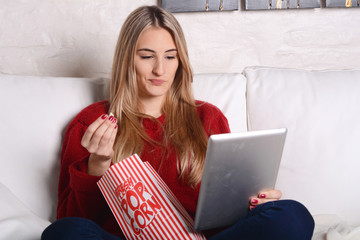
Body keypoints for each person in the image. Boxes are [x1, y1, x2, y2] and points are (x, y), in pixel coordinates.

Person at [42, 5, 314, 240]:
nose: (160, 69)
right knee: (65, 233)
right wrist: (97, 165)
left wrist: (254, 204)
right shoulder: (92, 122)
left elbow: (229, 214)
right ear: (127, 60)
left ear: (180, 61)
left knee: (292, 215)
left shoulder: (208, 118)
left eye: (170, 56)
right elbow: (71, 219)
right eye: (147, 56)